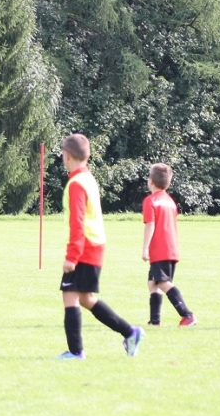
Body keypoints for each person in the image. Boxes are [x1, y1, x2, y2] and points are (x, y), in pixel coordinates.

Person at [57, 133, 143, 359]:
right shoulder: (88, 178)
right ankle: (130, 332)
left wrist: (72, 257)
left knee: (70, 296)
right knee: (85, 298)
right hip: (95, 245)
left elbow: (77, 222)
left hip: (84, 247)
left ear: (66, 155)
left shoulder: (76, 183)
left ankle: (76, 352)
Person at [141, 163, 196, 327]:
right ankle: (155, 321)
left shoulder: (150, 201)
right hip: (171, 248)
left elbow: (150, 224)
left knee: (162, 282)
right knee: (153, 282)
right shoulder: (170, 201)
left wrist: (145, 248)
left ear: (151, 181)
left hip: (160, 249)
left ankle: (187, 315)